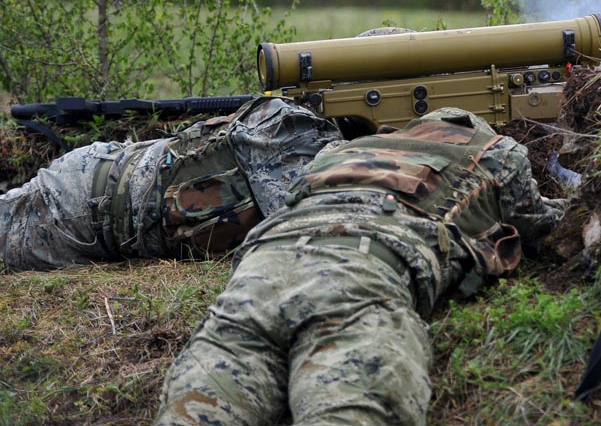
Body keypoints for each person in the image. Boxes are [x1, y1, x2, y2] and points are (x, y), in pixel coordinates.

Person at [155, 106, 566, 426]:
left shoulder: (338, 152)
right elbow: (544, 228)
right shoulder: (496, 153)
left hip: (260, 272)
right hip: (359, 276)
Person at [0, 96, 344, 270]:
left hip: (100, 189)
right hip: (77, 207)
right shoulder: (297, 137)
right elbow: (307, 248)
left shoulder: (306, 134)